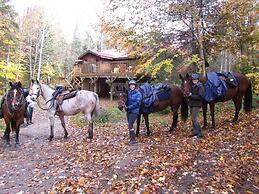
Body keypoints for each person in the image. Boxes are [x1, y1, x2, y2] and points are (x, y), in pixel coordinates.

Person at [125, 79, 142, 145]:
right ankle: (131, 137)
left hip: (134, 112)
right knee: (129, 125)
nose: (132, 86)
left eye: (133, 85)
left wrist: (129, 107)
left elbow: (137, 103)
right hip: (128, 111)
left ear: (135, 86)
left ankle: (133, 140)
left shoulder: (138, 94)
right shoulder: (129, 92)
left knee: (130, 125)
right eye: (131, 85)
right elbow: (126, 100)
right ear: (129, 86)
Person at [188, 73, 205, 138]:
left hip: (197, 104)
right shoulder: (192, 86)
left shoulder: (200, 86)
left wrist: (191, 95)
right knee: (192, 119)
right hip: (192, 104)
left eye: (196, 80)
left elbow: (201, 96)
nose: (194, 81)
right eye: (193, 80)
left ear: (198, 80)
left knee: (194, 118)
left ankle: (200, 132)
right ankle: (195, 131)